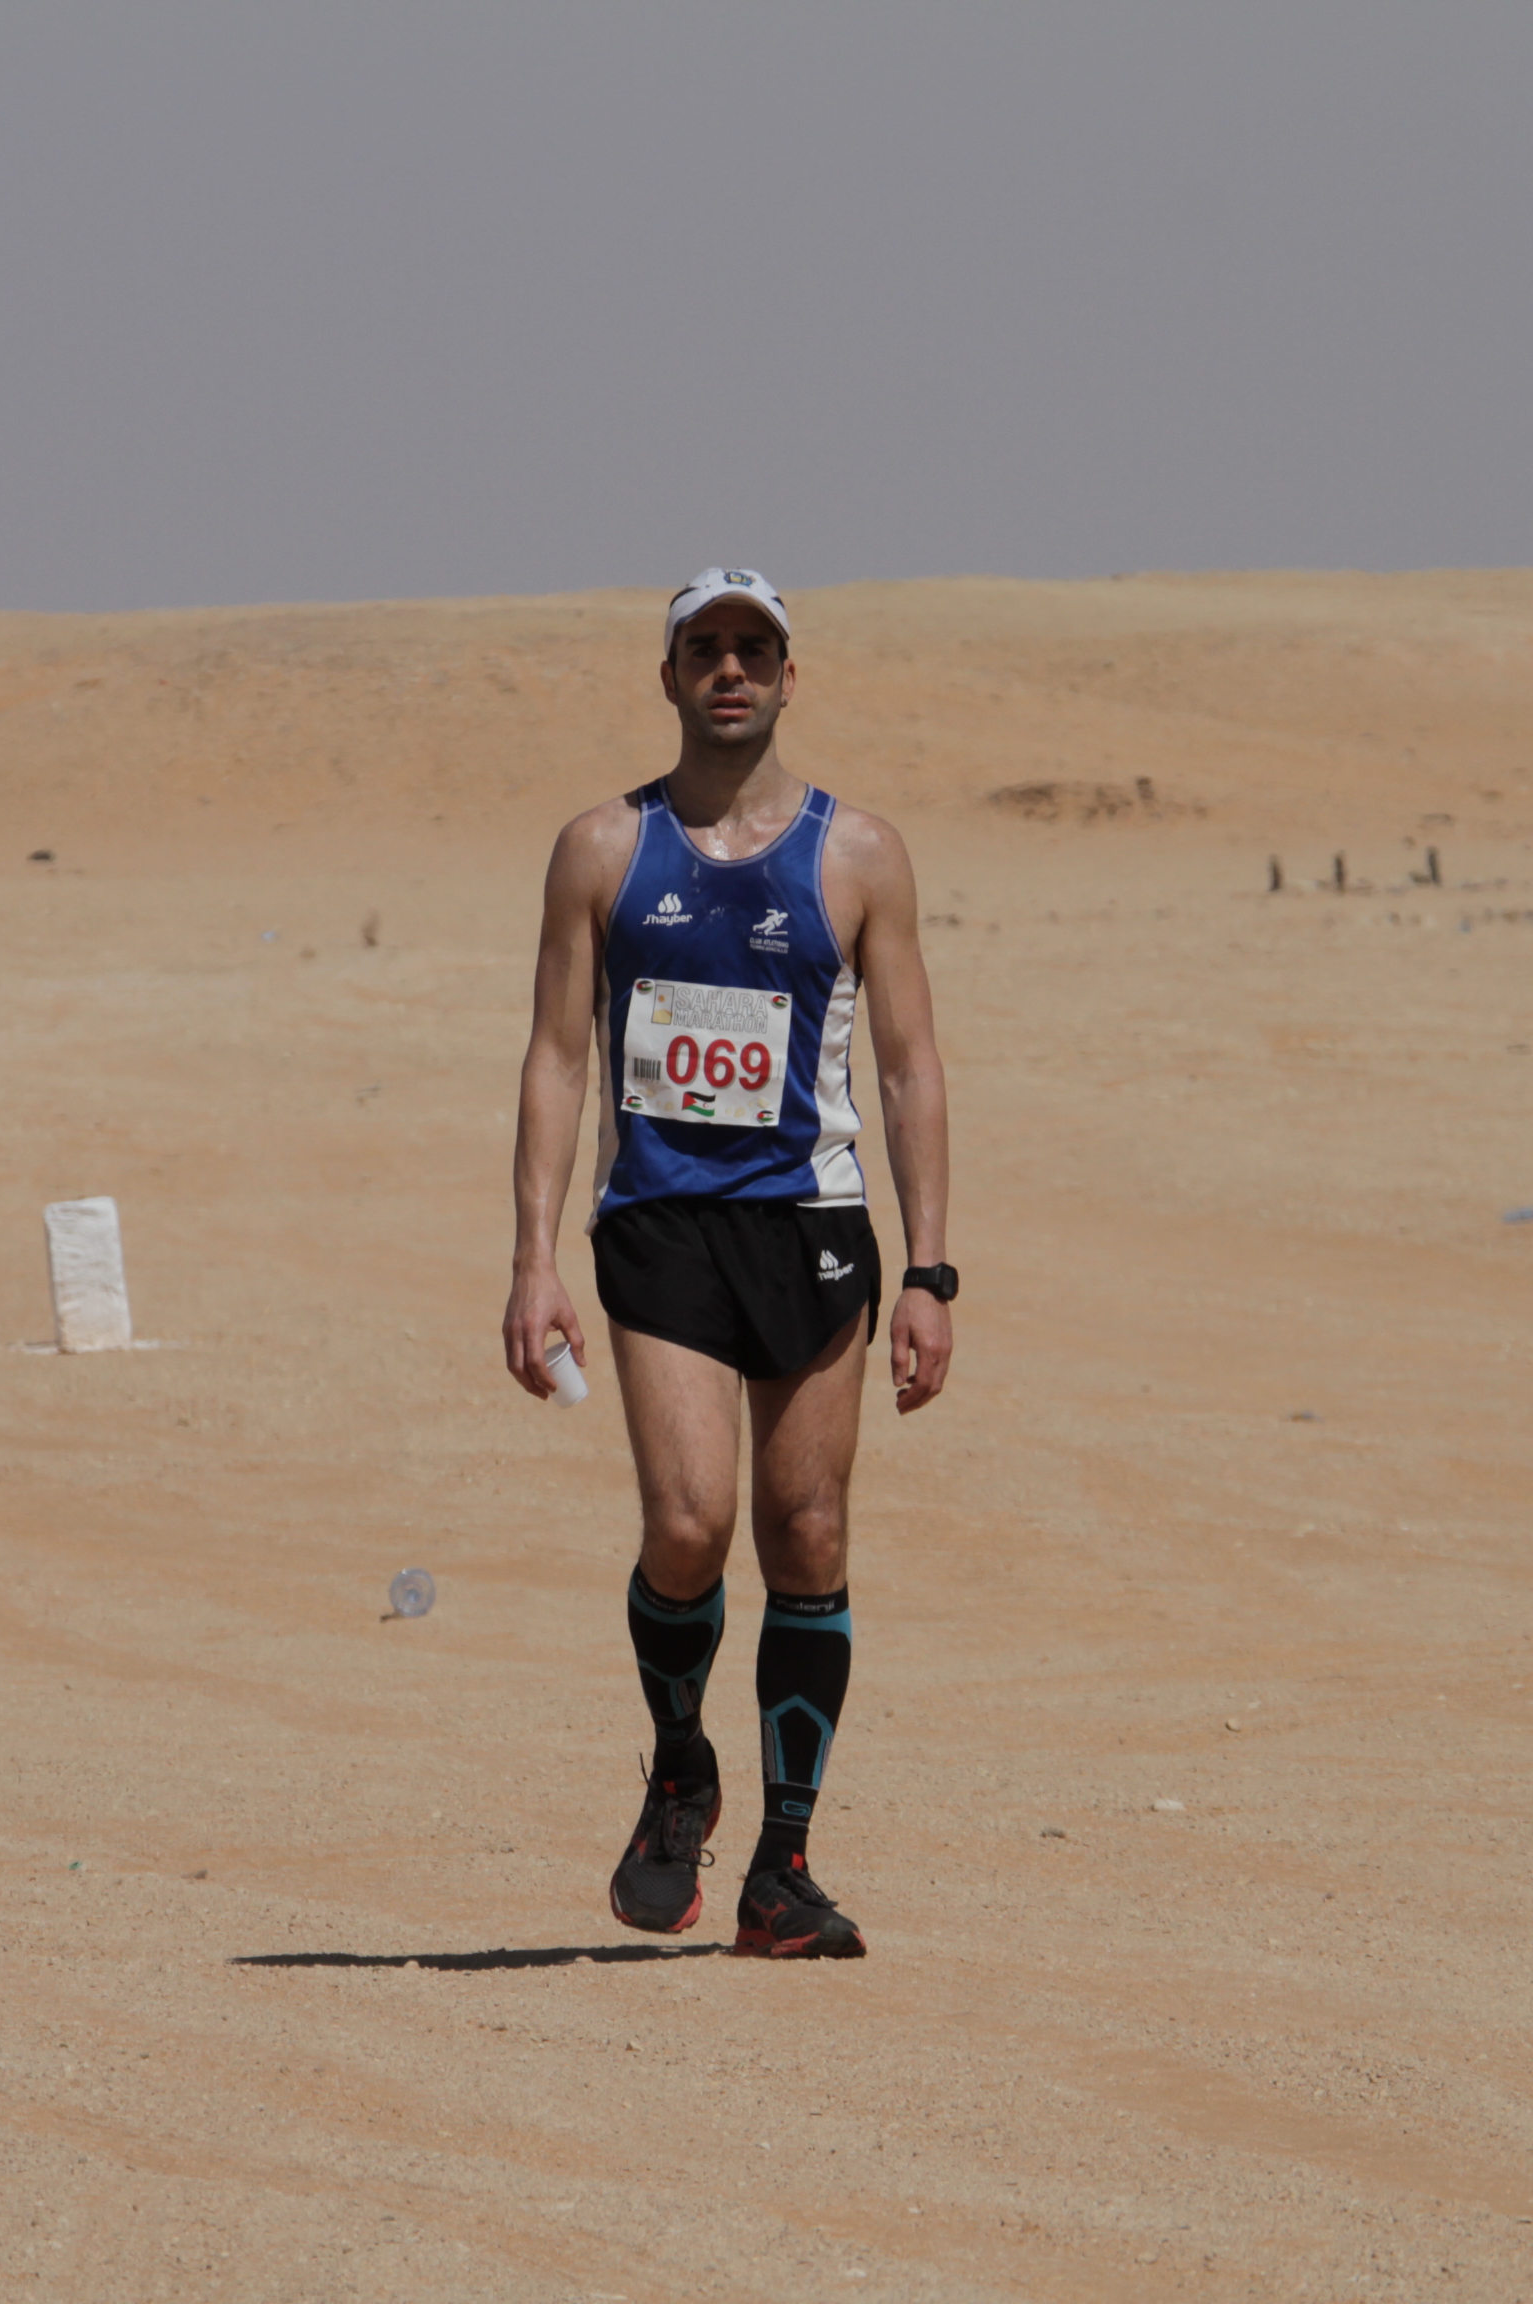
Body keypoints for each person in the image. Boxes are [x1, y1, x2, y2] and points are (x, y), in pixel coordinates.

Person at [501, 566, 956, 1959]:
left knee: (806, 1535)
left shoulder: (859, 855)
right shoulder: (601, 848)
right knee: (692, 1524)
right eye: (706, 647)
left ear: (789, 674)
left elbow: (908, 1066)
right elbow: (560, 1056)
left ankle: (784, 1872)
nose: (732, 669)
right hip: (659, 1227)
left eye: (756, 647)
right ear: (671, 674)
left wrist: (931, 1271)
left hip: (813, 1229)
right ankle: (681, 1768)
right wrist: (532, 1260)